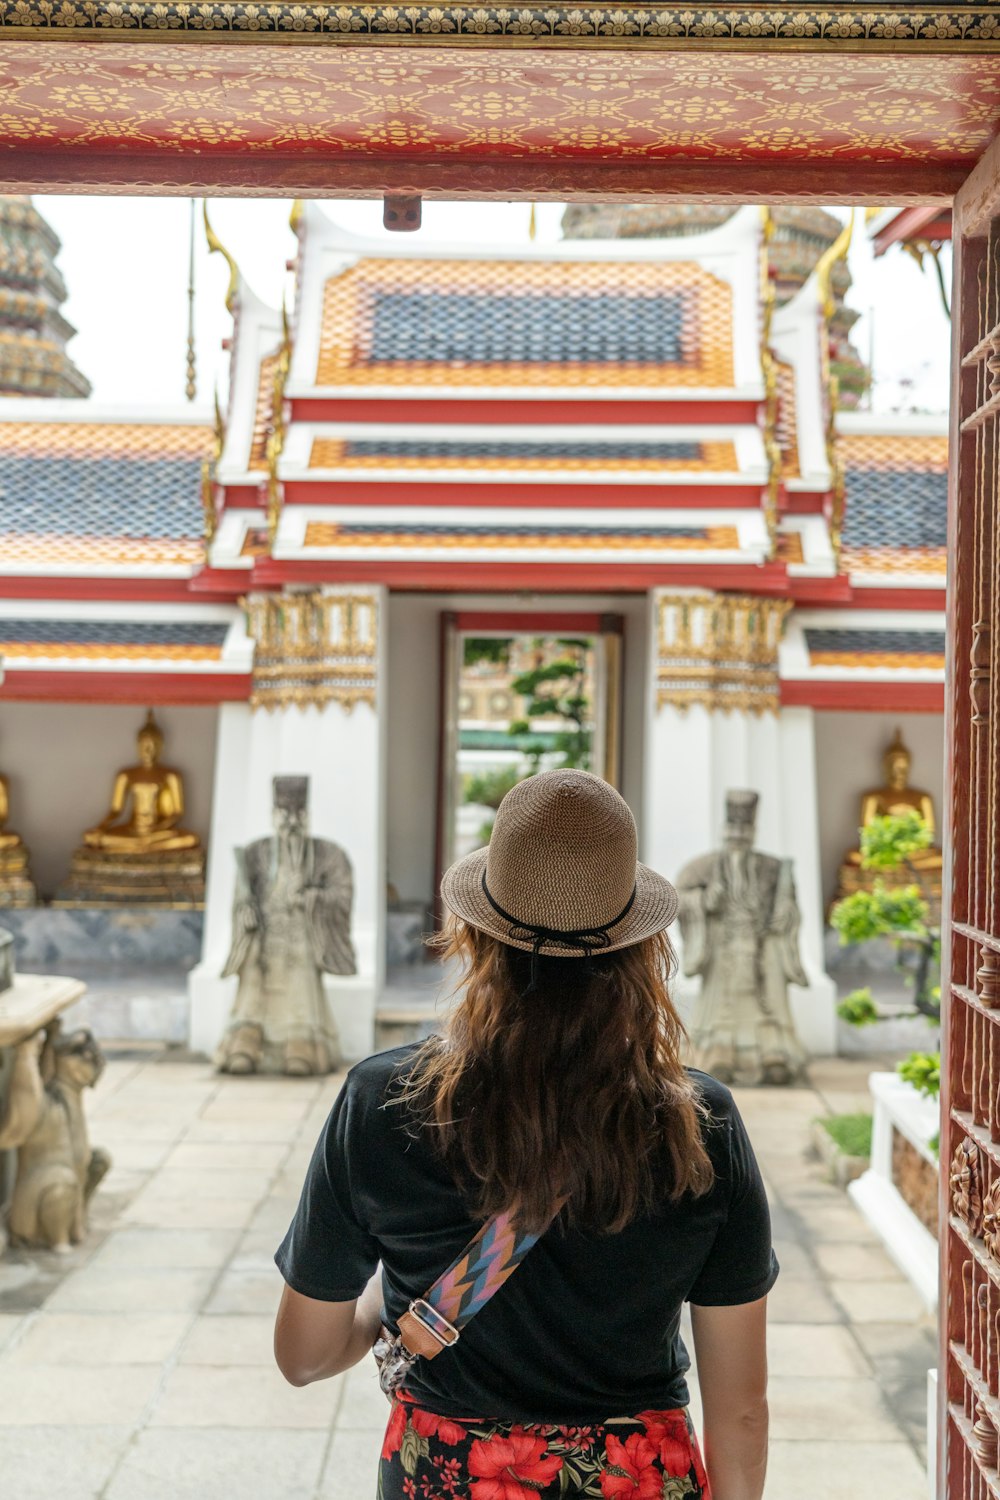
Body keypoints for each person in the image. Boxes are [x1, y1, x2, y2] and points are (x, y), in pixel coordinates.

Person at [274, 769, 776, 1500]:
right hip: (634, 1480)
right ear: (641, 949)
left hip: (449, 1478)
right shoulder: (700, 1124)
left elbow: (304, 1355)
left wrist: (400, 1308)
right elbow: (743, 1415)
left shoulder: (385, 1102)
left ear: (474, 934)